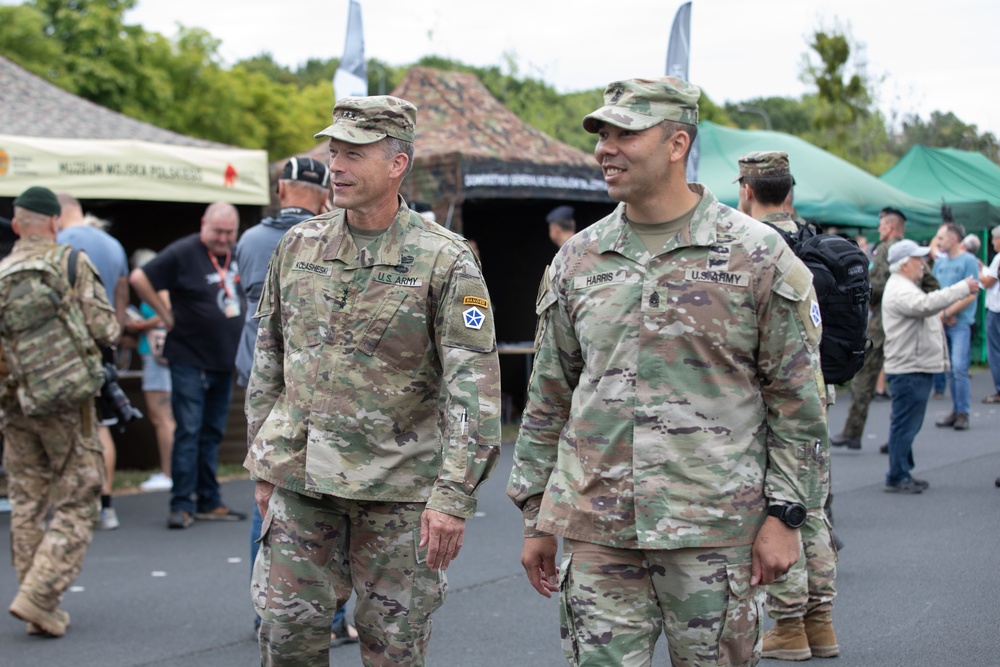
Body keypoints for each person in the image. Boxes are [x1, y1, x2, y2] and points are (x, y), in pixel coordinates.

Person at [507, 77, 828, 666]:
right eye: (602, 134)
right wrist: (536, 515)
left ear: (677, 143)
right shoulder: (578, 258)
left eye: (625, 133)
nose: (606, 148)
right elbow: (549, 395)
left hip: (715, 534)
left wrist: (787, 516)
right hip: (597, 530)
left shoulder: (755, 254)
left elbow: (797, 400)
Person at [245, 95, 501, 665]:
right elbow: (270, 357)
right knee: (284, 640)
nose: (335, 165)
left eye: (353, 153)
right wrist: (265, 461)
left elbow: (473, 390)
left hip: (398, 493)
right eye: (334, 150)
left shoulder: (446, 260)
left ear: (396, 164)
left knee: (393, 650)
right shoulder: (299, 246)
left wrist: (454, 495)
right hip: (303, 485)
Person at [233, 155, 356, 645]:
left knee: (267, 494)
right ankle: (326, 615)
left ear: (281, 189)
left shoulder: (250, 240)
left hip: (261, 380)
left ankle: (268, 608)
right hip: (315, 388)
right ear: (325, 189)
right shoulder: (328, 236)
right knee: (326, 497)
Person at [734, 151, 839, 660]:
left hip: (774, 393)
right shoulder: (813, 240)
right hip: (814, 391)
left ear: (746, 189)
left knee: (778, 508)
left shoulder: (754, 245)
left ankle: (790, 623)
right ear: (789, 191)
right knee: (811, 508)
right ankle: (820, 623)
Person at [2, 186, 119, 637]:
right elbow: (104, 328)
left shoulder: (2, 272)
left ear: (16, 225)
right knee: (80, 499)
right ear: (55, 223)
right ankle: (39, 595)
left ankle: (38, 602)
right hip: (69, 404)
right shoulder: (69, 262)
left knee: (27, 500)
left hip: (16, 403)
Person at [129, 202, 247, 529]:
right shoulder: (183, 251)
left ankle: (209, 500)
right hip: (189, 357)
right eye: (218, 231)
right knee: (189, 430)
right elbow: (139, 278)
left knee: (212, 433)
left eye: (229, 232)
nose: (224, 239)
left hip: (224, 358)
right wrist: (164, 317)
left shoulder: (236, 253)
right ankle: (181, 503)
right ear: (203, 225)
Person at [831, 208, 938, 450]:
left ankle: (855, 432)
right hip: (898, 325)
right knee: (900, 382)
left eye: (881, 225)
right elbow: (932, 285)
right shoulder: (904, 250)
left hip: (883, 324)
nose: (879, 229)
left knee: (869, 379)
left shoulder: (893, 250)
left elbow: (877, 285)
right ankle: (895, 440)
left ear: (889, 227)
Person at [55, 194, 129, 530]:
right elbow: (122, 296)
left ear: (56, 215)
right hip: (104, 346)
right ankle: (106, 505)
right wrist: (113, 337)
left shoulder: (58, 243)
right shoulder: (113, 245)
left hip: (65, 349)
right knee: (101, 427)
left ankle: (68, 507)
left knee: (64, 426)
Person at [881, 240, 977, 492]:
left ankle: (902, 471)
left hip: (912, 365)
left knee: (906, 423)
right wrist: (962, 288)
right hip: (910, 367)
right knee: (906, 424)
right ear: (904, 264)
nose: (923, 264)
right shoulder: (901, 288)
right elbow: (926, 305)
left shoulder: (903, 285)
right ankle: (898, 475)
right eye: (918, 259)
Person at [124, 249, 175, 492]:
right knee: (160, 417)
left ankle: (169, 472)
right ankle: (169, 471)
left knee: (162, 417)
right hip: (149, 352)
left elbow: (166, 311)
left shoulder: (158, 286)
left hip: (157, 357)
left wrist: (141, 324)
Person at [931, 222, 979, 431]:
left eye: (941, 238)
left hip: (959, 323)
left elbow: (971, 293)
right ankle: (956, 410)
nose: (938, 242)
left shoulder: (968, 261)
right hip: (942, 322)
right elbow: (933, 291)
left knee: (959, 368)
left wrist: (947, 313)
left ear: (952, 239)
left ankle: (963, 413)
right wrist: (940, 315)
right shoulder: (940, 264)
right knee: (951, 370)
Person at [978, 226, 1000, 403]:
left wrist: (979, 271)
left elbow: (987, 282)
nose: (993, 242)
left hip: (996, 310)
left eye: (994, 239)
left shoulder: (999, 258)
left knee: (995, 351)